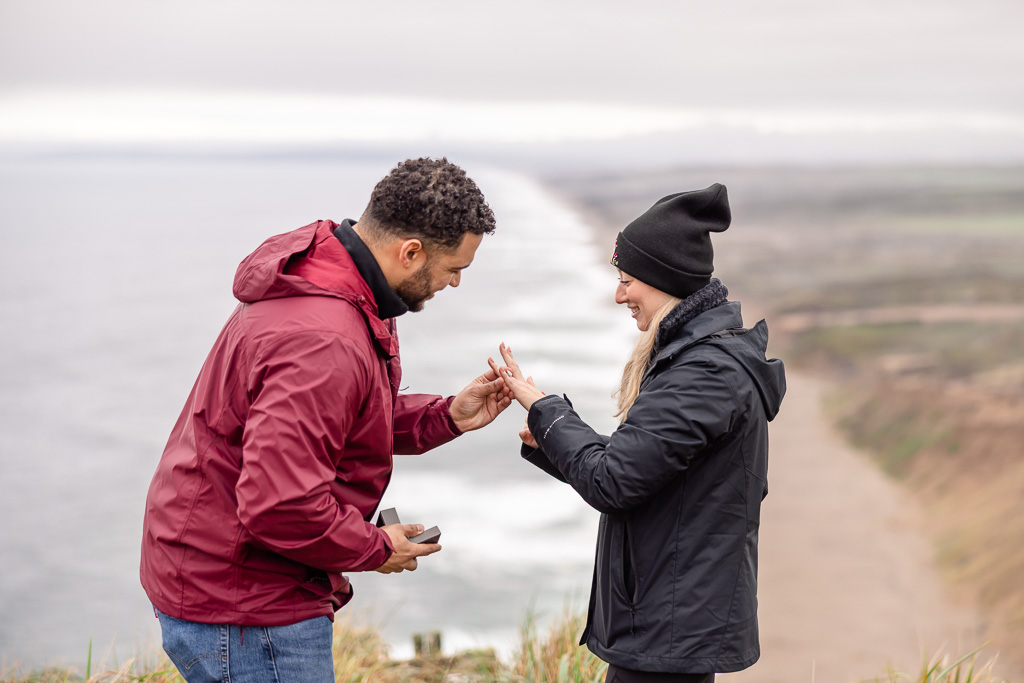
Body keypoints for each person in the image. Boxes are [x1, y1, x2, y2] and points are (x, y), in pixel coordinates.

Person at [140, 157, 511, 683]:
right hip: (246, 603)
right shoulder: (325, 337)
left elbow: (340, 420)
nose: (453, 284)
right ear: (411, 253)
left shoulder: (336, 285)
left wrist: (444, 416)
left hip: (224, 573)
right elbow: (281, 504)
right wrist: (378, 547)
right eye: (455, 269)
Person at [491, 184, 786, 683]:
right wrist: (553, 443)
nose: (619, 294)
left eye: (629, 280)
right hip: (669, 626)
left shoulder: (702, 374)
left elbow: (615, 483)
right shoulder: (700, 360)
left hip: (668, 630)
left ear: (664, 279)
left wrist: (548, 412)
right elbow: (647, 470)